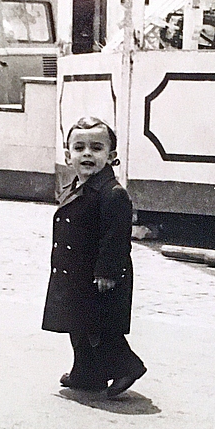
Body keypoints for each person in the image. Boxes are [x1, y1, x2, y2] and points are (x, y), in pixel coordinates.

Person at [42, 118, 146, 398]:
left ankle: (127, 366)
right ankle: (86, 372)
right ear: (68, 156)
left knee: (98, 328)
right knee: (75, 323)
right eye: (79, 147)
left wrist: (108, 272)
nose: (87, 154)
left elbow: (116, 237)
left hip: (98, 275)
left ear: (111, 157)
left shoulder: (112, 194)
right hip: (75, 273)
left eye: (97, 148)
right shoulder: (75, 187)